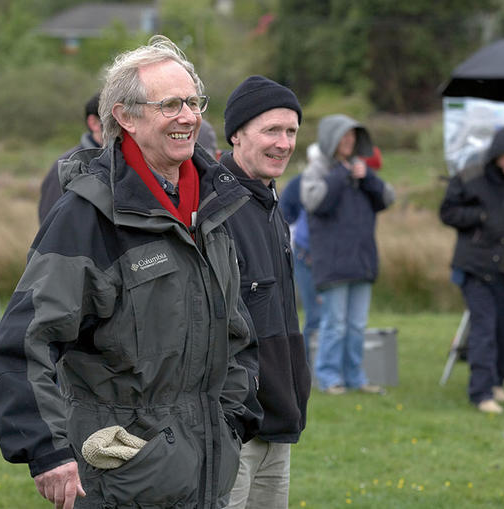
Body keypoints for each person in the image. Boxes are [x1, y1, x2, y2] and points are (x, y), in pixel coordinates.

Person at [0, 36, 261, 509]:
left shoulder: (211, 206)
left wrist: (233, 418)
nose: (189, 117)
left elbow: (238, 333)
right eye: (170, 104)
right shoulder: (88, 216)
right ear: (125, 117)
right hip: (123, 479)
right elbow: (21, 343)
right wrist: (46, 450)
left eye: (194, 102)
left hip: (209, 471)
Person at [220, 75, 311, 509]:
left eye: (291, 131)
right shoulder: (216, 209)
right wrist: (235, 408)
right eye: (271, 130)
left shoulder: (271, 206)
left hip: (278, 417)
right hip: (234, 428)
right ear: (236, 134)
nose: (284, 142)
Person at [440, 125, 504, 414]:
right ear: (496, 154)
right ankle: (481, 393)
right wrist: (480, 216)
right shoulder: (471, 179)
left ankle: (496, 382)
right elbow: (448, 212)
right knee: (484, 329)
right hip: (477, 269)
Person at [300, 114, 394, 395]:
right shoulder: (317, 170)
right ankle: (329, 378)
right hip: (333, 263)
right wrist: (341, 175)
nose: (349, 142)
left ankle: (355, 377)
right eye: (344, 136)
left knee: (356, 326)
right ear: (331, 138)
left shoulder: (361, 170)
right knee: (335, 325)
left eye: (353, 137)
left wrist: (369, 180)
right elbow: (314, 201)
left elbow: (388, 198)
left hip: (362, 262)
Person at [38, 92, 102, 223]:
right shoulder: (67, 166)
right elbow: (51, 224)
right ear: (94, 123)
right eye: (114, 119)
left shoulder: (126, 162)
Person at [279, 171, 320, 362]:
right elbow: (286, 216)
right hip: (306, 257)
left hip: (327, 260)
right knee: (315, 316)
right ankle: (306, 367)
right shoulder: (302, 185)